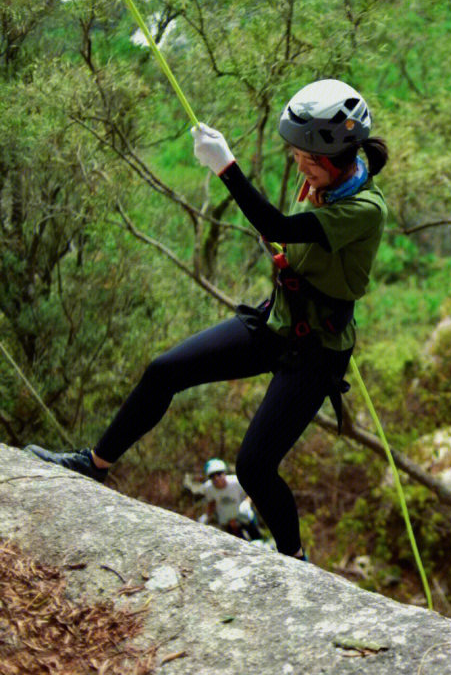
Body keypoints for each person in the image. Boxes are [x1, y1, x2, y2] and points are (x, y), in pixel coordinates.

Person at [25, 79, 388, 561]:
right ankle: (94, 463)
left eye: (305, 156)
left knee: (255, 467)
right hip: (277, 321)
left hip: (316, 353)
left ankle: (294, 560)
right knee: (164, 371)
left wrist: (226, 167)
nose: (297, 162)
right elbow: (293, 237)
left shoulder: (364, 208)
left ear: (331, 159)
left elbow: (278, 225)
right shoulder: (332, 178)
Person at [196, 458, 264, 542]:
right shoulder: (208, 488)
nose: (217, 478)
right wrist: (207, 515)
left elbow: (251, 493)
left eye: (219, 474)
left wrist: (247, 503)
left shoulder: (236, 482)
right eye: (212, 476)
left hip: (244, 516)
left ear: (224, 473)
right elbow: (212, 502)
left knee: (257, 541)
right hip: (226, 520)